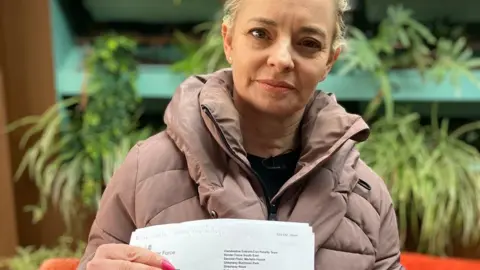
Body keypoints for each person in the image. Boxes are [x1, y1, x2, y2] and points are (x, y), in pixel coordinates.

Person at [79, 0, 404, 269]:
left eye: (309, 43)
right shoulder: (143, 170)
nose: (281, 59)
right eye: (260, 33)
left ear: (329, 62)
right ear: (229, 41)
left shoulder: (369, 197)